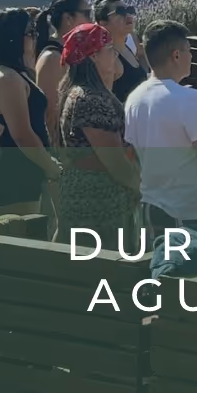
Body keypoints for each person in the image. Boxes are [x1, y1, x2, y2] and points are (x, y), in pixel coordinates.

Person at [123, 20, 197, 278]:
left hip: (151, 207)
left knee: (157, 283)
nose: (192, 56)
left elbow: (133, 155)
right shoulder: (189, 99)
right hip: (189, 211)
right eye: (189, 51)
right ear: (176, 55)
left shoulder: (134, 98)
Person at [55, 22, 139, 242]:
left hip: (89, 194)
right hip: (97, 201)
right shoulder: (90, 99)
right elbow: (116, 163)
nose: (115, 55)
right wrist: (142, 187)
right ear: (93, 56)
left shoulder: (80, 92)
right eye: (109, 49)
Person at [0, 7, 59, 214]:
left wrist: (31, 18)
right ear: (13, 38)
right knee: (23, 240)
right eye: (30, 33)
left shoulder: (8, 70)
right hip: (13, 173)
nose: (35, 37)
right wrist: (50, 165)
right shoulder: (8, 79)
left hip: (24, 167)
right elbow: (22, 134)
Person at [35, 0, 90, 142]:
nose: (92, 21)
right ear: (68, 19)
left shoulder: (71, 52)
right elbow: (51, 116)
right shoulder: (52, 59)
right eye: (87, 13)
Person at [92, 0, 146, 100]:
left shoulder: (126, 49)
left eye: (129, 10)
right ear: (103, 23)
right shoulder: (107, 57)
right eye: (120, 11)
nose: (128, 15)